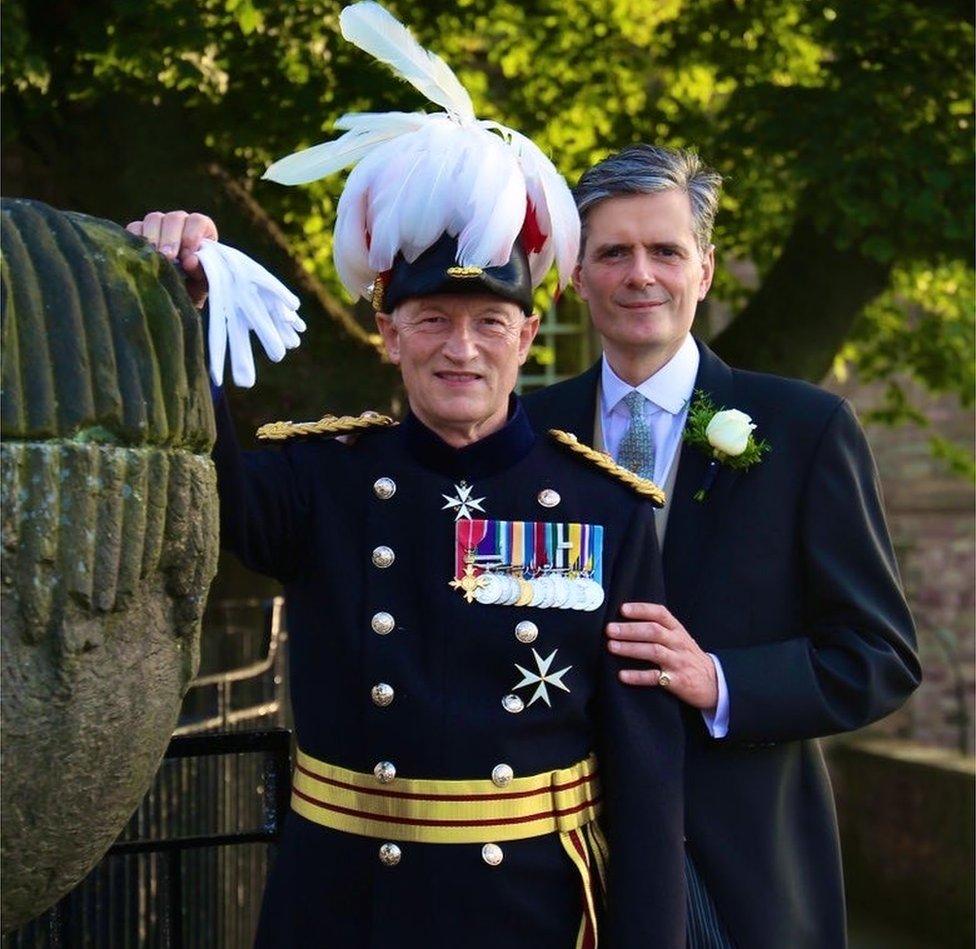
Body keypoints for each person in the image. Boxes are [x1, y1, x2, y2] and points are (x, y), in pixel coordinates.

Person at [129, 7, 687, 947]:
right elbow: (204, 485)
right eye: (430, 319)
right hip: (345, 905)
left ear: (528, 337)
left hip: (533, 914)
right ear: (388, 334)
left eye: (488, 323)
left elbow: (643, 767)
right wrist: (180, 308)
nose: (459, 348)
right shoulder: (322, 480)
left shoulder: (607, 508)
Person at [522, 143, 921, 948]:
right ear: (575, 274)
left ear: (703, 268)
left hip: (739, 878)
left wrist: (719, 680)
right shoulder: (526, 432)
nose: (641, 274)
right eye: (614, 252)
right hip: (552, 873)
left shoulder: (807, 431)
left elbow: (879, 656)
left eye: (665, 250)